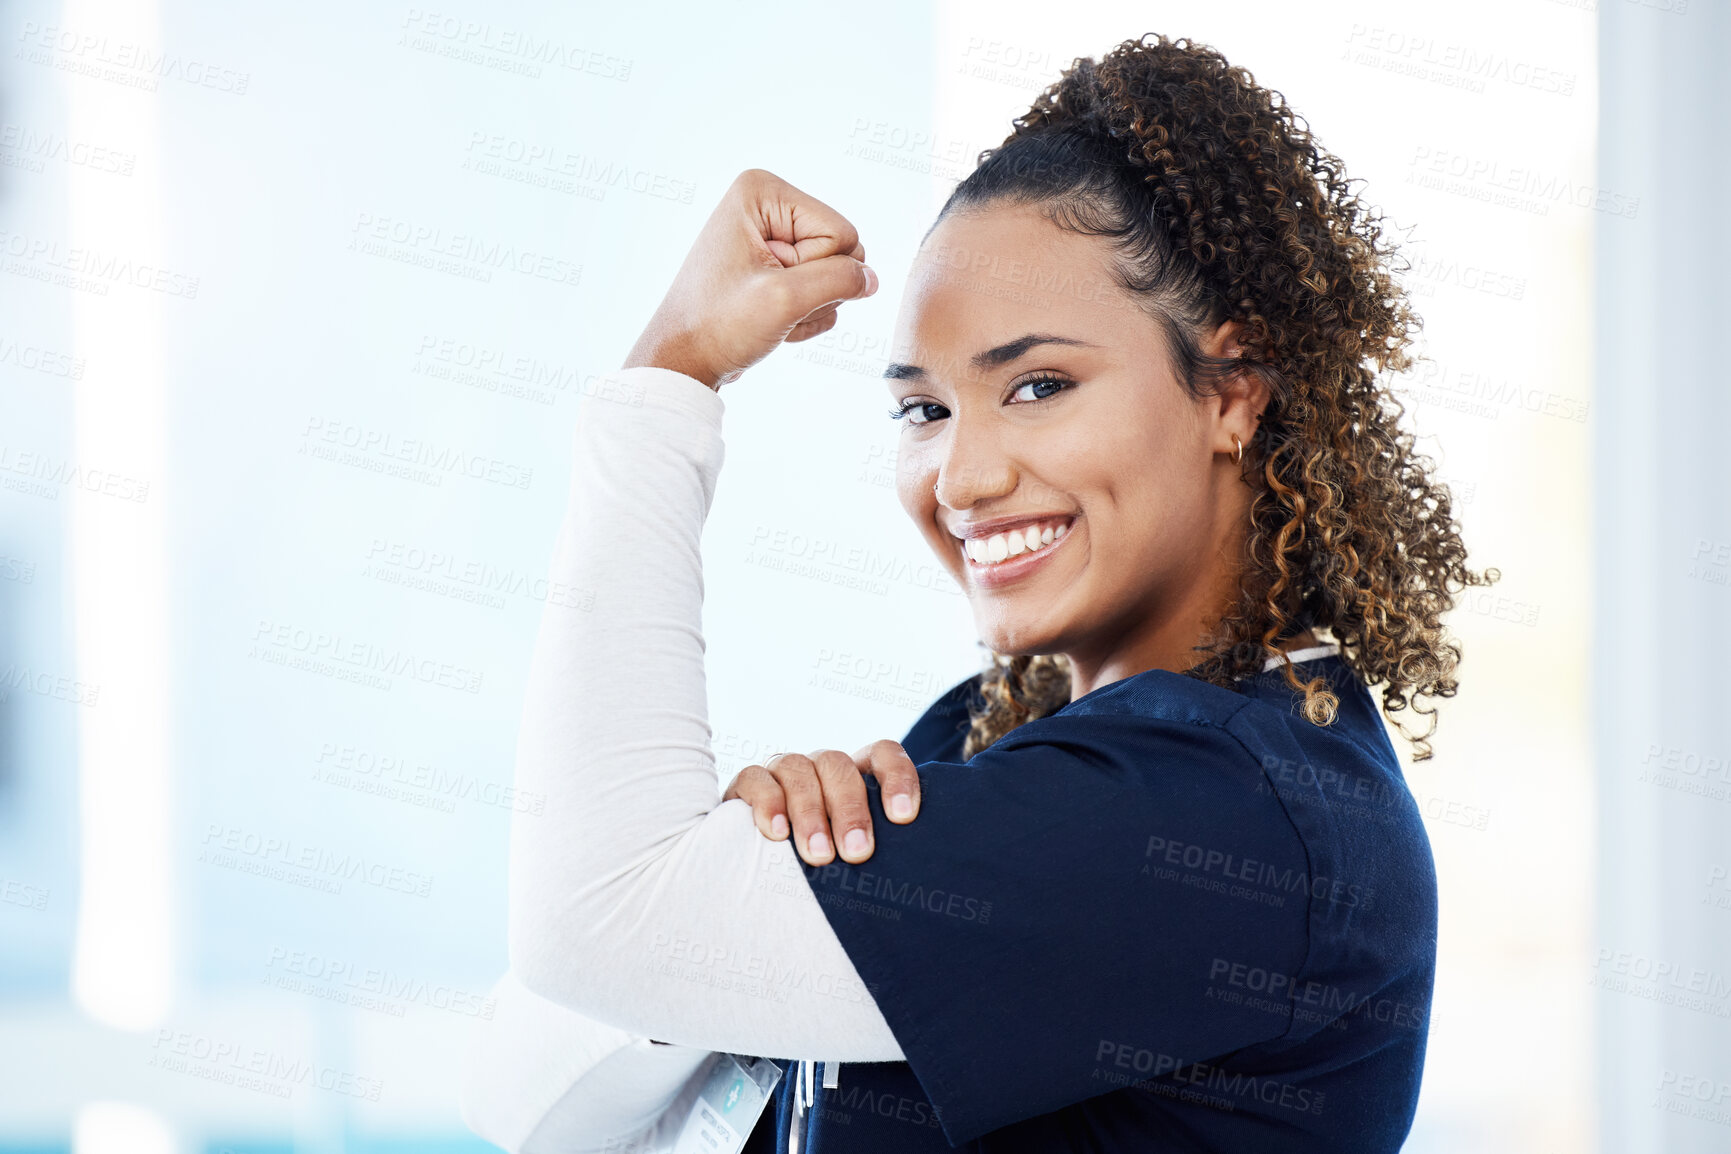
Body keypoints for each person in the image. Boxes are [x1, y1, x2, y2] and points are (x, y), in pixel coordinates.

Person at [460, 32, 1494, 1154]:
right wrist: (699, 881)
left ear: (1232, 393)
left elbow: (590, 920)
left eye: (1039, 384)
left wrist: (671, 373)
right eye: (925, 410)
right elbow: (522, 1096)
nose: (961, 476)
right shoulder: (978, 738)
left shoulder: (1221, 814)